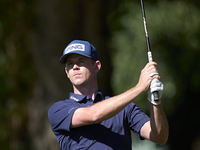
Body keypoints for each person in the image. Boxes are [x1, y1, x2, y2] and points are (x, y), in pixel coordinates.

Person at [48, 40, 168, 150]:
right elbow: (93, 115)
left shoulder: (125, 108)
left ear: (96, 66)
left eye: (81, 61)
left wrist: (155, 102)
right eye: (70, 64)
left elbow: (159, 137)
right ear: (66, 72)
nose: (75, 67)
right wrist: (139, 88)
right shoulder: (58, 110)